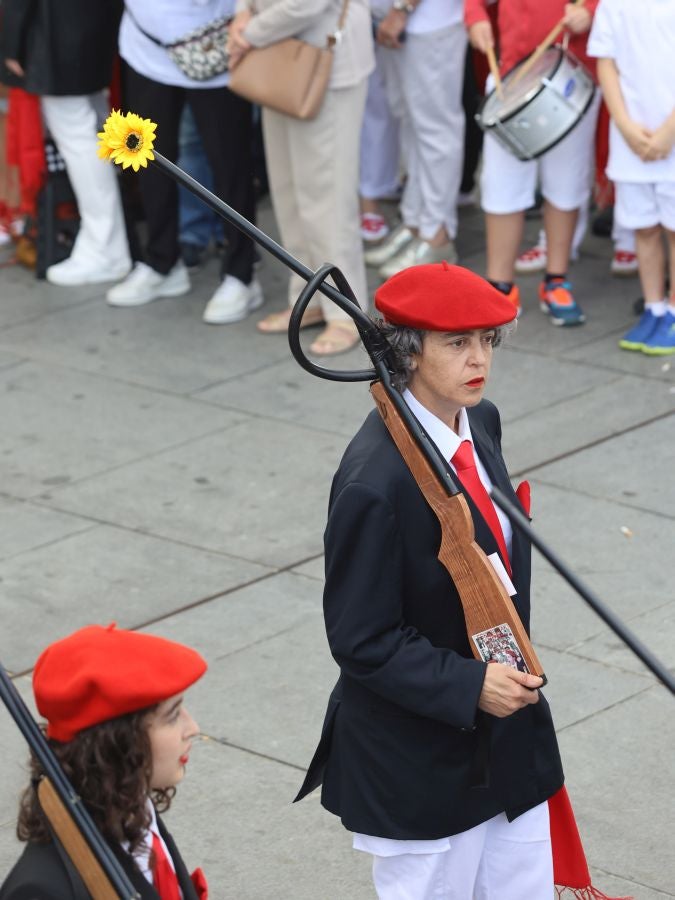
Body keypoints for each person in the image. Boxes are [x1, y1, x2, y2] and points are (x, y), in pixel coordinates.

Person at [295, 263, 571, 897]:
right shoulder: (374, 482)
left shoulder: (482, 419)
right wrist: (471, 683)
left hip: (505, 745)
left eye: (487, 341)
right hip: (419, 764)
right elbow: (361, 638)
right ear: (408, 352)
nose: (479, 359)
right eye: (457, 343)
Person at [0, 623, 207, 898]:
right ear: (118, 744)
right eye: (172, 715)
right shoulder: (39, 892)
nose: (193, 727)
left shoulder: (132, 811)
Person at [228, 0, 374, 356]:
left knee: (327, 195)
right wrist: (242, 12)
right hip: (279, 53)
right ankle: (307, 296)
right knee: (288, 191)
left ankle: (345, 312)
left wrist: (249, 33)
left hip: (325, 55)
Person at [107, 0, 260, 326]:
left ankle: (241, 275)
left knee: (230, 165)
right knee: (143, 157)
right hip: (142, 44)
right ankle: (162, 262)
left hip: (213, 45)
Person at [466, 0, 601, 326]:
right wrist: (475, 18)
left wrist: (592, 11)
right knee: (501, 185)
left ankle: (557, 278)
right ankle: (500, 286)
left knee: (567, 183)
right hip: (513, 69)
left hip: (571, 69)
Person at [0, 0, 132, 287]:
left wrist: (12, 42)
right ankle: (112, 241)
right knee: (94, 130)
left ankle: (105, 246)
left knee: (81, 139)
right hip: (93, 25)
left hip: (58, 29)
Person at [588, 0, 675, 355]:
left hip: (669, 135)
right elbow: (606, 62)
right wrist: (623, 124)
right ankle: (653, 306)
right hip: (632, 137)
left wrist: (668, 131)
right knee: (644, 227)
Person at [362, 0, 466, 280]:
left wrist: (402, 9)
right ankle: (416, 223)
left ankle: (437, 236)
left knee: (436, 130)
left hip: (426, 21)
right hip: (402, 20)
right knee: (411, 123)